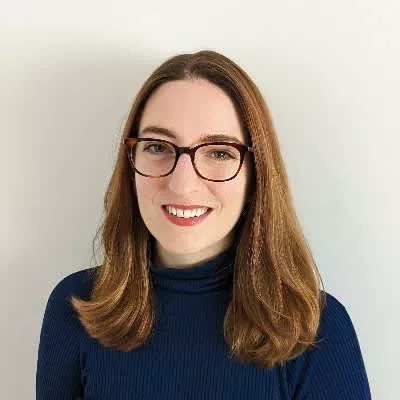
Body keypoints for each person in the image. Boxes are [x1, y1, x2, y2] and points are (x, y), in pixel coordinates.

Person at [36, 50, 372, 399]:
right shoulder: (75, 308)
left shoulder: (316, 329)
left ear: (256, 175)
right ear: (130, 161)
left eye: (219, 152)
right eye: (157, 146)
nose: (182, 185)